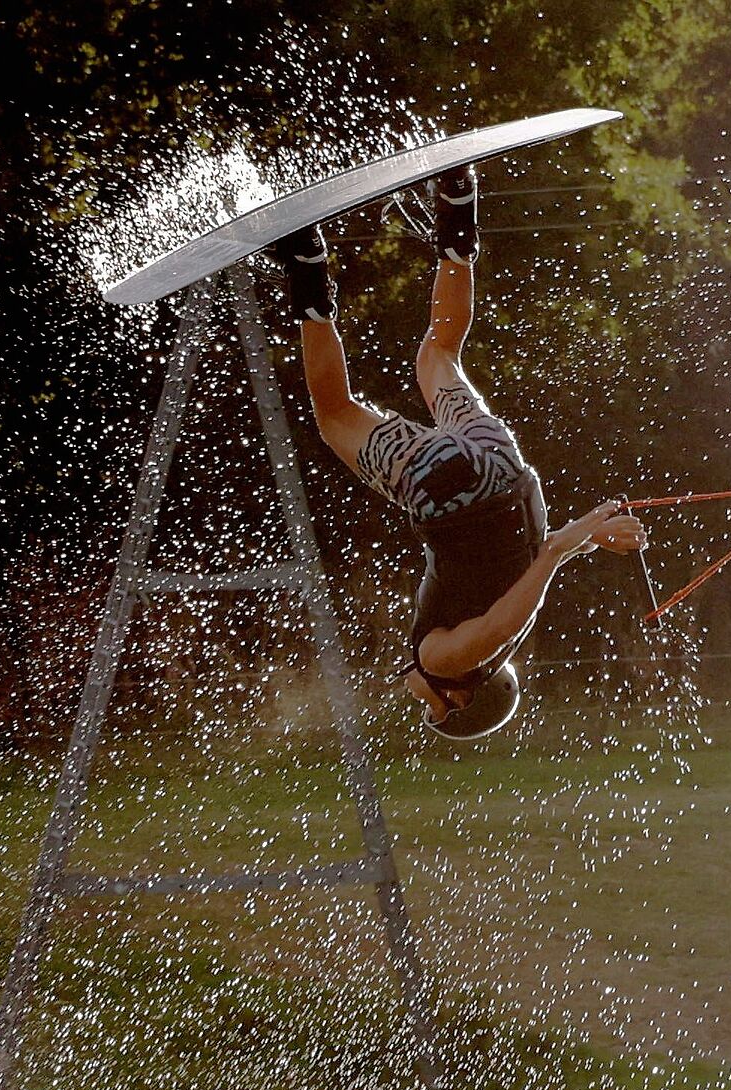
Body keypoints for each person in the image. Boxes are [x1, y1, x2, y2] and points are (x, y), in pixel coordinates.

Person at [270, 164, 644, 739]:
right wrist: (571, 545)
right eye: (429, 707)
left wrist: (590, 532)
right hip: (448, 489)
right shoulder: (450, 662)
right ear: (457, 700)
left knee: (440, 354)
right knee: (333, 415)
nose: (415, 695)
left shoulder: (512, 631)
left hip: (502, 466)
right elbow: (509, 606)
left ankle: (458, 218)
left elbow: (529, 569)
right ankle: (307, 270)